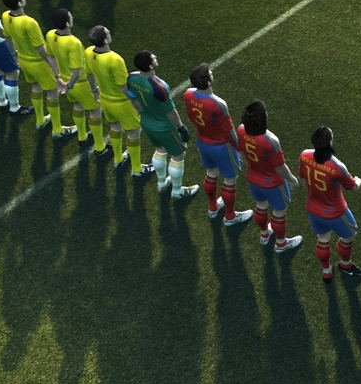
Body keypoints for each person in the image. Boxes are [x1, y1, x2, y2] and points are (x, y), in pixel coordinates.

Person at [183, 63, 254, 223]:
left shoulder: (188, 94)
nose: (212, 72)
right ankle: (230, 216)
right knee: (230, 179)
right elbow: (229, 131)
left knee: (211, 173)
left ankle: (213, 208)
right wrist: (239, 148)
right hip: (222, 146)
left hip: (203, 141)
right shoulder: (218, 104)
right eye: (210, 73)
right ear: (208, 82)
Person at [299, 126, 361, 281]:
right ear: (330, 142)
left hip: (313, 207)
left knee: (322, 238)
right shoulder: (337, 166)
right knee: (350, 235)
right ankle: (345, 265)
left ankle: (326, 271)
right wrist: (358, 179)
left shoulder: (304, 155)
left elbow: (303, 181)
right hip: (335, 211)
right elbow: (354, 187)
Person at [127, 51, 198, 198]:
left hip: (146, 122)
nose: (156, 57)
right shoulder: (159, 86)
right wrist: (181, 127)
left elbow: (133, 98)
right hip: (165, 127)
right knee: (178, 155)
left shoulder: (132, 77)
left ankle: (161, 183)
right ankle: (177, 191)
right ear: (150, 65)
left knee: (160, 149)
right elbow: (170, 112)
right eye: (153, 57)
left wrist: (141, 111)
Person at [235, 100, 303, 252]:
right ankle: (281, 244)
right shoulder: (270, 140)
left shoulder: (240, 130)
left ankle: (264, 234)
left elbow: (242, 154)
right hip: (273, 183)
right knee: (279, 212)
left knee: (261, 205)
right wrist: (291, 179)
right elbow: (280, 167)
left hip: (253, 177)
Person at [1, 0, 71, 134]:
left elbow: (7, 38)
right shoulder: (29, 22)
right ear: (19, 3)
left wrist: (14, 55)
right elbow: (40, 49)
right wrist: (53, 67)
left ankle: (40, 120)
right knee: (52, 92)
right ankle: (57, 129)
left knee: (36, 87)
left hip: (23, 60)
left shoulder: (6, 16)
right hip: (38, 63)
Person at [86, 25, 154, 173]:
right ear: (105, 40)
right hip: (121, 103)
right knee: (133, 132)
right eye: (107, 32)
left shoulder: (88, 52)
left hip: (105, 100)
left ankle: (118, 159)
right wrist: (137, 104)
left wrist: (94, 90)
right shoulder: (115, 59)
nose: (110, 32)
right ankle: (137, 169)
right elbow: (124, 88)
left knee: (115, 127)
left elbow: (89, 74)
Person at [46, 8, 108, 153]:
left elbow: (50, 56)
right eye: (70, 17)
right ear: (67, 23)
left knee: (78, 105)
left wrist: (58, 78)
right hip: (80, 84)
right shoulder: (74, 42)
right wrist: (70, 85)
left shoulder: (50, 34)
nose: (72, 17)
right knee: (95, 110)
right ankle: (100, 147)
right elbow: (77, 71)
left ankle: (81, 136)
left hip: (65, 81)